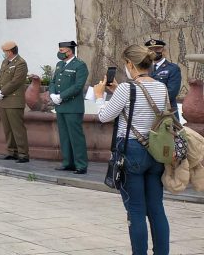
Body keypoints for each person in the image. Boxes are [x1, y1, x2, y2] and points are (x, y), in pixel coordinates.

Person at [94, 44, 170, 255]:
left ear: (130, 64)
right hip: (156, 151)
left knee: (136, 210)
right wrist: (118, 91)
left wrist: (99, 96)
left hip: (132, 150)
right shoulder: (161, 87)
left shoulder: (127, 89)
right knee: (156, 209)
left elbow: (104, 116)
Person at [50, 40, 89, 174]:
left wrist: (61, 96)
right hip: (60, 106)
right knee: (64, 136)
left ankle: (81, 165)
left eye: (62, 51)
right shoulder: (60, 64)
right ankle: (68, 162)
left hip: (73, 106)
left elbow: (78, 86)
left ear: (69, 51)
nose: (59, 53)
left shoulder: (80, 65)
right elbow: (53, 82)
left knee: (76, 137)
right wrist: (52, 94)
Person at [0, 41, 29, 163]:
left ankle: (23, 154)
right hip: (4, 100)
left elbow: (16, 82)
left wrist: (2, 91)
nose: (4, 53)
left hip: (14, 100)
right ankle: (12, 152)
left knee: (17, 129)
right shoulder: (5, 62)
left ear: (10, 52)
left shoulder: (20, 63)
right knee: (7, 129)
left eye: (5, 51)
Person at [147, 38, 182, 123]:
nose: (154, 52)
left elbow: (172, 92)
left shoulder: (173, 68)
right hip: (147, 112)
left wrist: (149, 101)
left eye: (157, 49)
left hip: (166, 112)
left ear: (164, 50)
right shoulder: (145, 68)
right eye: (151, 50)